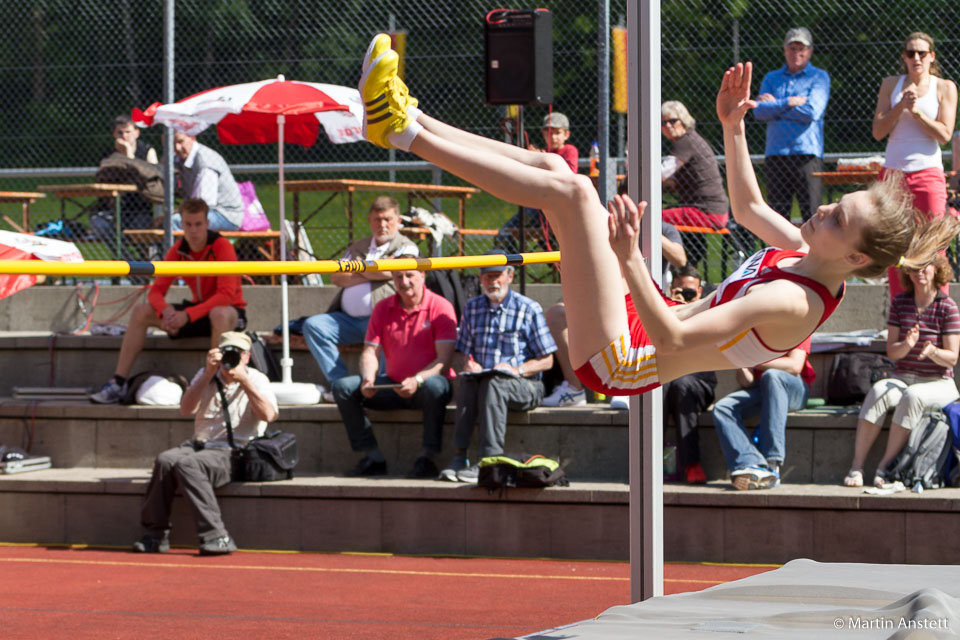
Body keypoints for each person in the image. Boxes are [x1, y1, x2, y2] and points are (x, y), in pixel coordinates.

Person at [357, 35, 958, 401]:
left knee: (572, 199)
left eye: (835, 219)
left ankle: (402, 131)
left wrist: (629, 260)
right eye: (835, 203)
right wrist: (731, 125)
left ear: (854, 257)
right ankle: (408, 116)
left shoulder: (797, 304)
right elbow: (747, 207)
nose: (820, 210)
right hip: (639, 322)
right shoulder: (811, 254)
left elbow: (671, 339)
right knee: (556, 167)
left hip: (624, 360)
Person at [131, 331, 279, 555]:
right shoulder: (206, 374)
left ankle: (216, 535)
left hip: (235, 451)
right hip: (200, 444)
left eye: (237, 353)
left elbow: (269, 415)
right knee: (165, 460)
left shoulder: (257, 379)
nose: (231, 357)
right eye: (226, 352)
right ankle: (155, 535)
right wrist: (207, 374)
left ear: (247, 357)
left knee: (190, 465)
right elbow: (185, 409)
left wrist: (245, 381)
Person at [90, 198, 247, 404]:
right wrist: (165, 313)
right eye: (188, 224)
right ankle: (118, 382)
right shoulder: (178, 250)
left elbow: (226, 295)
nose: (193, 230)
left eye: (198, 224)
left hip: (227, 314)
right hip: (198, 312)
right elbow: (155, 292)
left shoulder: (221, 246)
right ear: (181, 225)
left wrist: (187, 315)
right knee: (141, 311)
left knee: (220, 312)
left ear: (207, 224)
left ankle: (217, 380)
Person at [843, 254, 960, 488]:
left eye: (925, 267)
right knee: (878, 391)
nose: (919, 272)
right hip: (903, 376)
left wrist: (933, 352)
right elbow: (892, 352)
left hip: (939, 382)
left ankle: (884, 467)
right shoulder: (900, 302)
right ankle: (857, 467)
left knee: (913, 396)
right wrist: (907, 345)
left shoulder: (947, 306)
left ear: (936, 270)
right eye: (914, 268)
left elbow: (952, 357)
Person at [438, 252, 556, 481]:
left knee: (493, 383)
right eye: (487, 276)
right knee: (470, 381)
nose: (493, 281)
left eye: (497, 275)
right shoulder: (472, 308)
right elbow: (461, 352)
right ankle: (459, 457)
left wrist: (517, 370)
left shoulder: (528, 308)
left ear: (510, 276)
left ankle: (488, 461)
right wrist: (467, 363)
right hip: (485, 381)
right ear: (480, 279)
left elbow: (547, 360)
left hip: (526, 384)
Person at [332, 268, 457, 478]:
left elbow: (443, 361)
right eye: (398, 276)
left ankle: (428, 458)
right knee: (343, 387)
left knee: (436, 386)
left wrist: (417, 380)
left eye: (410, 275)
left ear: (422, 276)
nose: (404, 281)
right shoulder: (382, 308)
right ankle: (373, 456)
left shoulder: (440, 306)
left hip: (427, 385)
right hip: (392, 384)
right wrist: (368, 379)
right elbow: (370, 351)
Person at [543, 224, 685, 409]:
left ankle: (629, 389)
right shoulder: (602, 224)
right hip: (601, 297)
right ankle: (574, 389)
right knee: (557, 314)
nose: (625, 201)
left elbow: (680, 259)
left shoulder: (662, 227)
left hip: (643, 299)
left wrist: (643, 230)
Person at [302, 196, 419, 390]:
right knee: (314, 326)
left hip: (384, 320)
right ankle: (339, 384)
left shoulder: (406, 246)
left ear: (398, 221)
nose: (382, 225)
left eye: (387, 219)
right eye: (377, 219)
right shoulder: (359, 246)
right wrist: (376, 271)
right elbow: (336, 277)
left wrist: (357, 270)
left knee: (390, 332)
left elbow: (390, 272)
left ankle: (381, 387)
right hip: (347, 320)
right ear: (369, 221)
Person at [872, 31, 958, 297]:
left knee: (934, 244)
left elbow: (944, 134)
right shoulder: (891, 85)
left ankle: (939, 313)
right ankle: (901, 313)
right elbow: (877, 131)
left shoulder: (944, 87)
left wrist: (917, 112)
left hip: (928, 173)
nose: (916, 58)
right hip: (893, 175)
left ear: (931, 57)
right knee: (894, 245)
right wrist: (900, 107)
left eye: (922, 53)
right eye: (911, 53)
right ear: (904, 57)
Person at [711, 336, 814, 490]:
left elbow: (794, 366)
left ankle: (772, 464)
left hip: (794, 387)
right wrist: (740, 362)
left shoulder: (797, 323)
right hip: (762, 387)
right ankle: (751, 464)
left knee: (772, 376)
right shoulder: (753, 333)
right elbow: (747, 382)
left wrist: (755, 362)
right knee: (722, 408)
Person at [753, 27, 830, 222]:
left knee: (813, 217)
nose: (796, 53)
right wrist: (788, 102)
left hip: (807, 155)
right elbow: (759, 111)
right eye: (792, 48)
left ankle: (815, 253)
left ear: (810, 51)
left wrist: (775, 106)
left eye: (801, 48)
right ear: (785, 51)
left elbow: (812, 112)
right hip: (776, 154)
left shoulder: (819, 77)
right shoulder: (772, 78)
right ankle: (780, 254)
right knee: (777, 219)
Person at [662, 265, 716, 484]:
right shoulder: (664, 309)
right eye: (680, 290)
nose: (686, 295)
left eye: (690, 292)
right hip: (670, 379)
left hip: (700, 382)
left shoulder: (710, 309)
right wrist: (671, 307)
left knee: (681, 384)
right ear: (672, 289)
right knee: (660, 384)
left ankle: (692, 464)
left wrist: (690, 309)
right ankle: (648, 459)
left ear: (700, 292)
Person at [495, 112, 578, 253]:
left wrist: (544, 159)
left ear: (566, 135)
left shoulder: (569, 150)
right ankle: (513, 268)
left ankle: (558, 267)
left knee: (556, 244)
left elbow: (568, 176)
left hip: (556, 206)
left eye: (558, 133)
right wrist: (533, 159)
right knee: (503, 235)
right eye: (549, 133)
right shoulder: (541, 153)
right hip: (536, 207)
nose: (553, 137)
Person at [660, 100, 729, 230]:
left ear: (683, 120)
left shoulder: (685, 142)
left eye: (673, 121)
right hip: (714, 210)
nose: (668, 126)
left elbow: (662, 174)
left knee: (649, 218)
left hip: (707, 212)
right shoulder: (691, 139)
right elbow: (671, 181)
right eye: (663, 122)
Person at [172, 131, 244, 231]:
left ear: (192, 137)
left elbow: (202, 204)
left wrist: (177, 212)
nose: (177, 148)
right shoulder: (178, 159)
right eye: (173, 143)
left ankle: (185, 247)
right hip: (203, 211)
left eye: (180, 141)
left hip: (225, 215)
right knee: (167, 221)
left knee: (174, 221)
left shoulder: (205, 162)